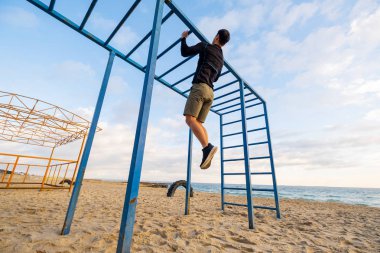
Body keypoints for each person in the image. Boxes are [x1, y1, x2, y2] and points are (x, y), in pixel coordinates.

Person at [180, 29, 230, 169]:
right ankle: (206, 152)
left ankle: (207, 147)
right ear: (224, 43)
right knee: (198, 124)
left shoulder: (205, 46)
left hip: (200, 87)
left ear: (217, 37)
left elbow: (185, 52)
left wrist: (183, 38)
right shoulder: (221, 59)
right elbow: (217, 77)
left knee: (189, 119)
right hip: (211, 93)